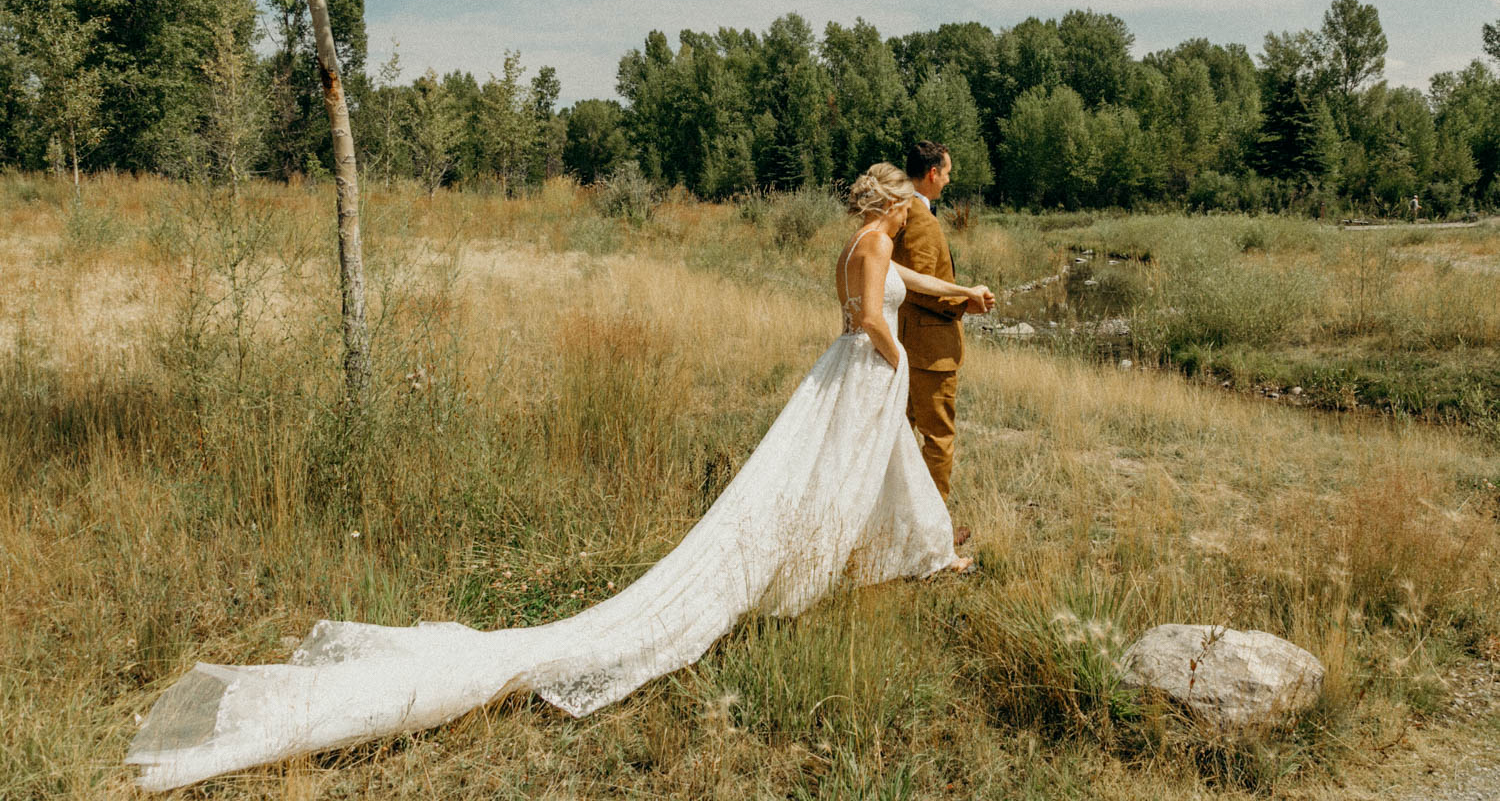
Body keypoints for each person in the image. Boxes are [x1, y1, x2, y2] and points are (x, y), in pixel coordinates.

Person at [124, 164, 993, 791]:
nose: (906, 212)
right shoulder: (876, 243)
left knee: (862, 474)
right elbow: (873, 315)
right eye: (901, 201)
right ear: (890, 201)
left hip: (840, 374)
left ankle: (910, 555)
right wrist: (896, 367)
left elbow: (908, 280)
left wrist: (971, 289)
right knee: (833, 479)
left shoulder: (863, 242)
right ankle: (869, 562)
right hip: (861, 371)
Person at [891, 142, 993, 545]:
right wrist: (966, 302)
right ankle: (933, 532)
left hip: (911, 344)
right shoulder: (919, 218)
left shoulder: (908, 211)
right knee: (939, 440)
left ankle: (904, 520)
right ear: (932, 173)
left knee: (902, 434)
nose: (949, 180)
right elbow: (916, 285)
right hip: (929, 351)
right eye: (947, 172)